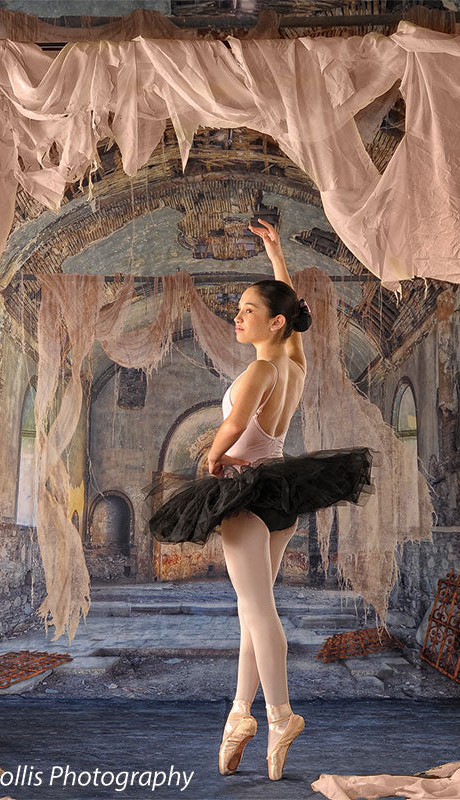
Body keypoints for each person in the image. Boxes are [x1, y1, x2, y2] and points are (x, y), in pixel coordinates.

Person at [144, 218, 374, 781]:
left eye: (248, 309)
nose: (237, 315)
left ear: (273, 322)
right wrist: (276, 255)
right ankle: (239, 715)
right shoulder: (293, 363)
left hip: (246, 492)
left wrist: (211, 458)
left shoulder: (261, 369)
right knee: (254, 610)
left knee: (256, 609)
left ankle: (280, 715)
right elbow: (288, 314)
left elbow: (233, 426)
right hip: (279, 493)